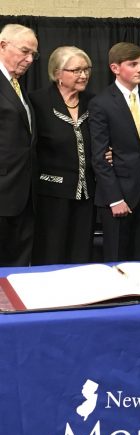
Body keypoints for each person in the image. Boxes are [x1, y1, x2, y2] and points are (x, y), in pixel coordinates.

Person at [89, 42, 140, 262]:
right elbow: (99, 156)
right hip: (119, 195)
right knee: (117, 257)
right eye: (133, 64)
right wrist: (114, 198)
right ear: (115, 68)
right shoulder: (101, 103)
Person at [29, 46, 96, 265]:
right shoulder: (37, 102)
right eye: (76, 70)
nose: (83, 75)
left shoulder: (93, 102)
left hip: (86, 194)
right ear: (58, 73)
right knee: (51, 252)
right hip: (51, 194)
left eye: (86, 69)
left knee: (81, 255)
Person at [0, 24, 38, 266]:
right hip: (3, 189)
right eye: (25, 51)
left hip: (23, 193)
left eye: (34, 54)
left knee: (17, 265)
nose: (30, 59)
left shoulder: (17, 86)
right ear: (2, 46)